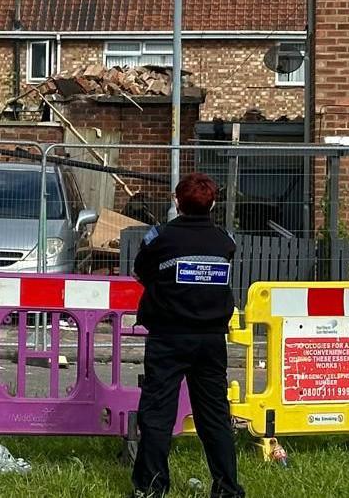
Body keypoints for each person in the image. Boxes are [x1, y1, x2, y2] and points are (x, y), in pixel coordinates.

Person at [131, 172, 244, 498]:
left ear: (177, 201)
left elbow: (142, 272)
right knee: (215, 417)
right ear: (212, 203)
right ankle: (227, 489)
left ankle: (152, 489)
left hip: (168, 336)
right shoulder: (224, 241)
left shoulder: (160, 238)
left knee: (157, 414)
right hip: (210, 340)